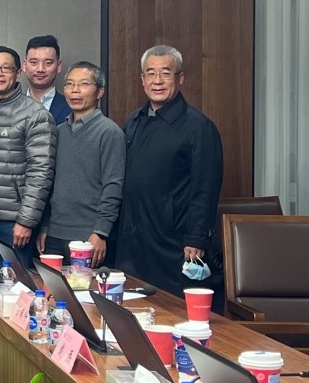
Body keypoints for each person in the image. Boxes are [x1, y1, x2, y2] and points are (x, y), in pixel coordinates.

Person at [116, 45, 224, 308]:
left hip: (173, 241)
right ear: (142, 79)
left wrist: (196, 238)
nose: (158, 81)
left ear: (180, 78)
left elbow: (205, 188)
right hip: (134, 237)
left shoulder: (199, 127)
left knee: (170, 309)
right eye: (150, 73)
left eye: (166, 73)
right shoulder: (134, 121)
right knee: (132, 307)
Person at [0, 46, 57, 269]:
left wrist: (26, 220)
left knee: (15, 286)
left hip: (14, 222)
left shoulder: (36, 115)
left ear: (18, 73)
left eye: (6, 68)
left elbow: (41, 173)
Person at [36, 62, 124, 265]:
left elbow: (113, 186)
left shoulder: (109, 132)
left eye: (84, 84)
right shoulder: (59, 131)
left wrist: (101, 232)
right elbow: (49, 183)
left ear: (100, 92)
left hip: (88, 236)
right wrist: (45, 226)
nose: (75, 90)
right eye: (69, 84)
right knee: (50, 285)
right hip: (54, 234)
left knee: (84, 286)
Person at [24, 35, 70, 125]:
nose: (40, 69)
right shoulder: (10, 108)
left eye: (48, 63)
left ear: (58, 66)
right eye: (34, 62)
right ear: (24, 65)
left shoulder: (71, 107)